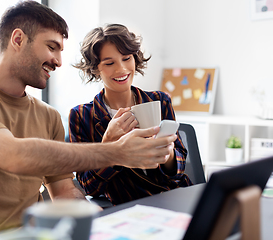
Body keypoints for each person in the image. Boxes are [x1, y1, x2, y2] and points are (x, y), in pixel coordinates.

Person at [0, 2, 175, 240]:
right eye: (51, 47)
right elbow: (13, 154)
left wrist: (99, 220)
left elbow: (64, 192)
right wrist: (117, 151)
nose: (58, 61)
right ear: (18, 39)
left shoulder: (49, 116)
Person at [69, 24, 192, 206]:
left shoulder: (159, 100)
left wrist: (169, 156)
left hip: (173, 199)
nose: (121, 69)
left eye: (127, 58)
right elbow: (89, 187)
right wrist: (110, 147)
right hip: (130, 206)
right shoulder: (81, 116)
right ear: (95, 69)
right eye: (109, 63)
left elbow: (179, 169)